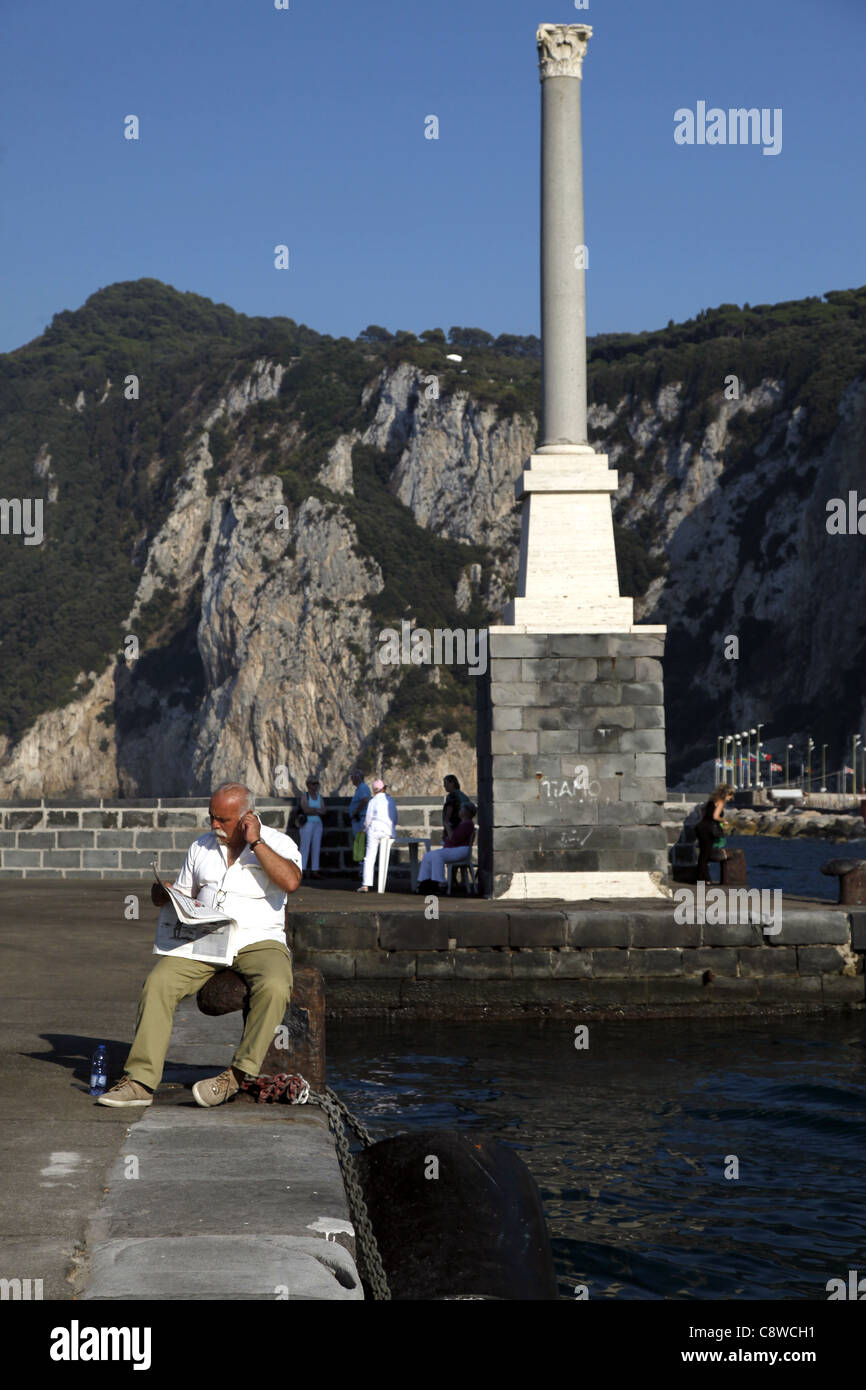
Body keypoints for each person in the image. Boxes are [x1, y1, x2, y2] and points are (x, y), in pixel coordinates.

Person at [97, 782, 302, 1109]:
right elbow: (183, 896)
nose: (214, 826)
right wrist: (163, 894)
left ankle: (236, 1075)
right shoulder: (200, 848)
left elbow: (290, 881)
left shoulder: (278, 843)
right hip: (206, 939)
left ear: (248, 816)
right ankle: (140, 1081)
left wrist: (257, 842)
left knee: (276, 985)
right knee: (158, 983)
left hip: (260, 940)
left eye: (223, 819)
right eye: (211, 818)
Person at [418, 802, 476, 890]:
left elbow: (454, 838)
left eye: (461, 809)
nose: (459, 811)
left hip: (461, 850)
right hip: (455, 849)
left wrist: (447, 825)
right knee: (428, 855)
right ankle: (423, 881)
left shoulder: (467, 824)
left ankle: (439, 883)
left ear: (467, 812)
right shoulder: (462, 824)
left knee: (437, 856)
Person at [358, 778, 397, 892]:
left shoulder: (372, 801)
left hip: (374, 829)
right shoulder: (390, 800)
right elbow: (394, 817)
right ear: (384, 788)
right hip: (387, 830)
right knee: (384, 857)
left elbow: (368, 819)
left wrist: (363, 829)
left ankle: (366, 884)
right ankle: (382, 885)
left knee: (369, 857)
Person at [694, 792, 728, 883]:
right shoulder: (720, 802)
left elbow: (702, 812)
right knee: (705, 856)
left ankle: (704, 879)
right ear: (726, 794)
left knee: (703, 855)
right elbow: (715, 816)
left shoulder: (711, 801)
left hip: (701, 828)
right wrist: (724, 820)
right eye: (730, 796)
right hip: (707, 830)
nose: (730, 799)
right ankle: (704, 879)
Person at [299, 775, 326, 879]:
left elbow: (324, 810)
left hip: (318, 824)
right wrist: (317, 810)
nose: (316, 785)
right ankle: (302, 869)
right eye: (314, 783)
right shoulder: (305, 796)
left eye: (317, 783)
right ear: (309, 785)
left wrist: (314, 810)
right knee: (304, 847)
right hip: (307, 824)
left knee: (316, 847)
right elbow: (306, 809)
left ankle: (315, 870)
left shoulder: (319, 797)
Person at [442, 774, 470, 839]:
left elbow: (449, 813)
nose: (444, 786)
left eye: (446, 783)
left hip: (453, 827)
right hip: (463, 827)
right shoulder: (464, 796)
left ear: (452, 783)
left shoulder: (451, 796)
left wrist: (445, 827)